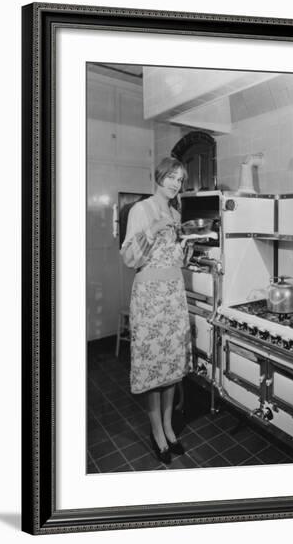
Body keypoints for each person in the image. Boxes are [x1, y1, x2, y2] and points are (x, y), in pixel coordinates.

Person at [120, 157, 193, 465]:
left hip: (173, 293)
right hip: (150, 296)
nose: (175, 184)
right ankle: (157, 432)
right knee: (154, 365)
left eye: (180, 179)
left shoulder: (176, 212)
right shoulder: (141, 210)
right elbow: (129, 257)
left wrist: (185, 246)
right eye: (171, 177)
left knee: (171, 366)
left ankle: (169, 427)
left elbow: (174, 260)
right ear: (159, 177)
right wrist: (153, 228)